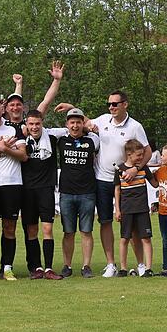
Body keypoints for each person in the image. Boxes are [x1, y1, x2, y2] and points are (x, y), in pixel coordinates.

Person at [55, 90, 151, 277]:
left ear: (125, 104)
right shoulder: (104, 119)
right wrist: (71, 108)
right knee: (105, 222)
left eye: (115, 104)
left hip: (126, 181)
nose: (111, 107)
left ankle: (140, 264)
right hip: (101, 180)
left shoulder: (135, 126)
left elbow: (147, 150)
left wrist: (136, 168)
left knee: (131, 225)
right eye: (109, 104)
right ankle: (111, 264)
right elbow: (84, 122)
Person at [0, 96, 27, 281]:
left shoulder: (14, 129)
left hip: (13, 184)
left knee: (10, 227)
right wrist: (1, 149)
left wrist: (5, 148)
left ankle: (7, 267)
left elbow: (23, 156)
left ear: (3, 109)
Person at [20, 110, 67, 280]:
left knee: (47, 228)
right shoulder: (21, 138)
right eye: (31, 124)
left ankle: (48, 268)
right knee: (31, 230)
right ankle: (36, 267)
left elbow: (74, 127)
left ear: (42, 122)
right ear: (27, 124)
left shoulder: (52, 135)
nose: (34, 127)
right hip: (27, 190)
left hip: (46, 188)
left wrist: (89, 125)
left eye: (37, 123)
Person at [56, 108, 98, 278]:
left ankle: (86, 266)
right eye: (72, 122)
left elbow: (93, 126)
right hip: (66, 192)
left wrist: (89, 126)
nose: (75, 125)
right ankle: (67, 265)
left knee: (86, 231)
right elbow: (41, 128)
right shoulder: (60, 139)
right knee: (68, 231)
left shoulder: (93, 140)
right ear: (67, 124)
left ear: (82, 123)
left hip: (87, 192)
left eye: (78, 122)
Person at [114, 140, 157, 277]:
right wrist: (118, 209)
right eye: (138, 155)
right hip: (126, 210)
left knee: (146, 238)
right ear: (129, 154)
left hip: (142, 209)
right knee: (124, 238)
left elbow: (155, 184)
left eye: (142, 154)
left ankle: (148, 268)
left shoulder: (143, 168)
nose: (141, 158)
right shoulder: (120, 169)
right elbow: (117, 190)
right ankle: (123, 268)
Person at [154, 146, 167, 276]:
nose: (161, 157)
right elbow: (153, 183)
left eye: (163, 155)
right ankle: (165, 267)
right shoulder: (160, 171)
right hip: (163, 212)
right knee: (165, 240)